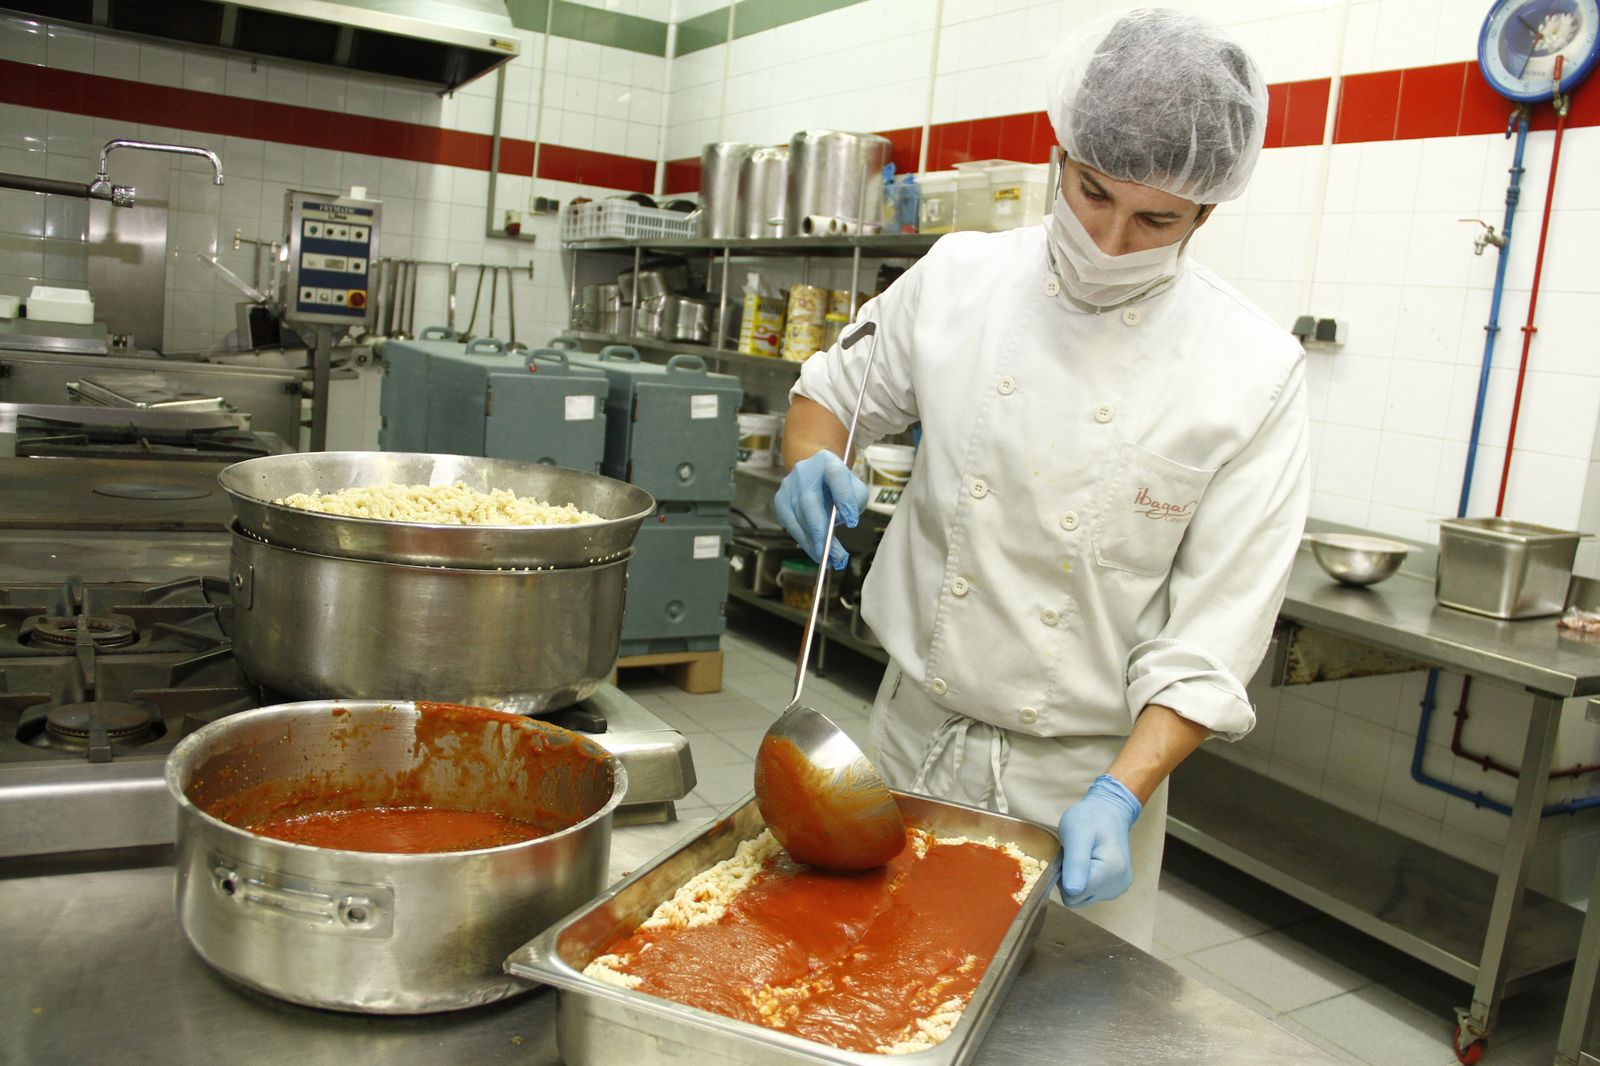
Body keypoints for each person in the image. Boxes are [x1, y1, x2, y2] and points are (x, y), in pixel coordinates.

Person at [773, 7, 1309, 951]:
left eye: (1157, 220)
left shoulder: (1251, 371)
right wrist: (813, 459)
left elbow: (1214, 641)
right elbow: (828, 398)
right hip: (904, 740)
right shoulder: (960, 279)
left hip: (1088, 784)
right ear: (1060, 154)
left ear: (1208, 212)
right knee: (864, 981)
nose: (1109, 240)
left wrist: (1120, 794)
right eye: (1094, 193)